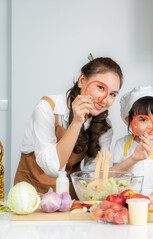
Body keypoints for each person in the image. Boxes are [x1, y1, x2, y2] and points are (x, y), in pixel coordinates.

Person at [14, 56, 123, 198]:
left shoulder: (104, 126)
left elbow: (93, 174)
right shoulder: (47, 108)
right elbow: (52, 168)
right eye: (101, 88)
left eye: (113, 94)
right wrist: (77, 123)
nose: (105, 100)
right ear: (82, 81)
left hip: (69, 197)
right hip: (32, 194)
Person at [111, 86, 153, 195]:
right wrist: (133, 159)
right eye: (143, 119)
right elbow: (112, 178)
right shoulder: (121, 144)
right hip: (124, 204)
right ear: (129, 120)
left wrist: (140, 205)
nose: (151, 126)